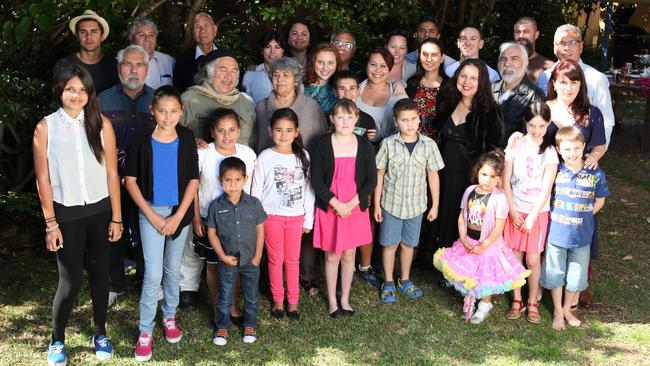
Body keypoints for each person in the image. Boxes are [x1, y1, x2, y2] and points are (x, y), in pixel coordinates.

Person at [35, 64, 122, 365]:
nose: (76, 95)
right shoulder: (45, 127)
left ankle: (100, 332)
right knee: (69, 282)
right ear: (60, 89)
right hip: (66, 214)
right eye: (70, 89)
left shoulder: (102, 124)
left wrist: (117, 217)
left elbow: (112, 172)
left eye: (82, 90)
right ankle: (57, 340)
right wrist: (50, 224)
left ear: (89, 93)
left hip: (100, 211)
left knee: (101, 274)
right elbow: (43, 179)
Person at [125, 86, 199, 361]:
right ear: (152, 111)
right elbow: (130, 180)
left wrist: (179, 215)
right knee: (153, 273)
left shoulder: (187, 137)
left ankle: (169, 315)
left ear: (181, 112)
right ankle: (145, 330)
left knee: (172, 268)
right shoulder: (142, 138)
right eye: (162, 111)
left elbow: (193, 178)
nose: (167, 117)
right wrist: (152, 215)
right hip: (151, 211)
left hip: (179, 212)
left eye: (173, 111)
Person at [434, 151, 531, 324]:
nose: (487, 179)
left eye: (493, 176)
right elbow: (462, 216)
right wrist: (463, 237)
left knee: (486, 277)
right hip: (468, 242)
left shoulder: (499, 198)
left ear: (499, 178)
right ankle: (469, 302)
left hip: (488, 246)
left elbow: (498, 227)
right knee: (469, 274)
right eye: (484, 174)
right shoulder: (470, 190)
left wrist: (483, 245)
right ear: (477, 172)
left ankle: (484, 306)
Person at [182, 108, 256, 318]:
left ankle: (232, 306)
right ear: (212, 132)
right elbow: (194, 188)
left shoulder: (247, 154)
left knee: (237, 264)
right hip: (210, 219)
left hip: (239, 220)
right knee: (214, 265)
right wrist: (196, 218)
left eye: (232, 130)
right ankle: (219, 309)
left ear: (239, 131)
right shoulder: (204, 153)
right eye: (221, 131)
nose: (227, 136)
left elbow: (250, 189)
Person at [98, 44, 155, 307]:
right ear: (119, 67)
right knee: (112, 232)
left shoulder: (157, 100)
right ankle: (114, 284)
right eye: (127, 64)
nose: (134, 70)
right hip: (110, 179)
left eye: (139, 65)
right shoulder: (103, 99)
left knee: (147, 232)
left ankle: (148, 282)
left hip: (146, 180)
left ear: (147, 68)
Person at [310, 99, 377, 317]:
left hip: (355, 205)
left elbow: (371, 180)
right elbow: (317, 180)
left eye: (349, 117)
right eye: (340, 116)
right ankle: (331, 300)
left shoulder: (364, 144)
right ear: (332, 119)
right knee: (332, 255)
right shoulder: (322, 144)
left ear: (357, 119)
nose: (345, 121)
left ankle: (345, 298)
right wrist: (336, 203)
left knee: (349, 254)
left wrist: (353, 203)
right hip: (331, 205)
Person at [373, 99, 444, 303]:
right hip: (391, 204)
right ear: (396, 122)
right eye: (404, 120)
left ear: (419, 119)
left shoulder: (428, 145)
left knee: (409, 245)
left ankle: (404, 279)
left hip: (416, 206)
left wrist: (435, 205)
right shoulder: (388, 143)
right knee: (389, 244)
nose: (410, 124)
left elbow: (433, 175)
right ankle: (388, 281)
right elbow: (380, 174)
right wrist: (377, 204)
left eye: (414, 119)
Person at [540, 126, 609, 331]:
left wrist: (584, 215)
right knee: (555, 272)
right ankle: (557, 311)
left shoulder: (594, 172)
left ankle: (567, 308)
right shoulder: (556, 171)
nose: (572, 153)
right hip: (556, 234)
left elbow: (600, 200)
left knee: (576, 275)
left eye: (577, 148)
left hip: (581, 236)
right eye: (567, 149)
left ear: (584, 147)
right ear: (559, 150)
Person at [433, 59, 504, 254]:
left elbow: (494, 150)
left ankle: (459, 262)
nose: (467, 81)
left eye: (474, 77)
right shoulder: (447, 103)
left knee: (463, 217)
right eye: (463, 76)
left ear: (482, 82)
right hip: (441, 173)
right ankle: (436, 255)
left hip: (469, 177)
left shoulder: (490, 111)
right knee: (440, 212)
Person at [251, 108, 315, 319]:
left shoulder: (303, 156)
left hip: (296, 217)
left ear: (296, 132)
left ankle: (293, 302)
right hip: (271, 217)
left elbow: (308, 191)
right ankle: (278, 300)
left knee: (292, 260)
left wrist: (308, 219)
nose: (283, 135)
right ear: (271, 131)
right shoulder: (265, 157)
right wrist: (257, 219)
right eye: (279, 130)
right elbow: (256, 191)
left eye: (289, 130)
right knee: (275, 259)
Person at [502, 102, 558, 324]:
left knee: (533, 258)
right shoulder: (515, 145)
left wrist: (533, 216)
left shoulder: (551, 152)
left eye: (541, 126)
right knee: (515, 256)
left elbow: (547, 187)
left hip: (537, 212)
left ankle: (532, 300)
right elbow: (505, 181)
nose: (536, 130)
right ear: (525, 123)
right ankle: (518, 299)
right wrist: (513, 210)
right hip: (515, 208)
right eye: (532, 125)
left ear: (548, 125)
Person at [208, 157, 267, 345]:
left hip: (251, 261)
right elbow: (212, 233)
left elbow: (260, 229)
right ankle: (222, 328)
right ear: (220, 181)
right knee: (225, 296)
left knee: (251, 296)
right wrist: (222, 256)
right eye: (227, 180)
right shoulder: (216, 206)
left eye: (237, 180)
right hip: (227, 262)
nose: (232, 185)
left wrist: (257, 256)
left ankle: (250, 324)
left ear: (245, 179)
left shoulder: (254, 203)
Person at [537, 24, 615, 147]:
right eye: (561, 43)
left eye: (572, 42)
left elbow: (607, 121)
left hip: (581, 156)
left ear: (581, 46)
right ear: (554, 47)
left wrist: (595, 153)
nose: (566, 48)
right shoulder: (545, 76)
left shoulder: (597, 78)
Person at [180, 48, 255, 147]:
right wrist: (191, 141)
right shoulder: (189, 99)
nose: (228, 76)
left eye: (233, 71)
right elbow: (171, 134)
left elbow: (252, 142)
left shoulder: (246, 104)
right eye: (223, 70)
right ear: (209, 72)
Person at [254, 57, 328, 152]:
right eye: (276, 75)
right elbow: (255, 141)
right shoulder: (261, 107)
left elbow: (322, 142)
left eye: (286, 75)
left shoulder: (311, 107)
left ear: (296, 80)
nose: (280, 79)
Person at [53, 10, 118, 94]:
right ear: (77, 36)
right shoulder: (63, 66)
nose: (88, 36)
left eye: (94, 31)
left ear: (102, 36)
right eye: (83, 32)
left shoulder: (115, 66)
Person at [492, 42, 545, 141]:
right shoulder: (490, 89)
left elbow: (531, 136)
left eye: (514, 59)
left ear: (526, 63)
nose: (507, 64)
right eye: (503, 59)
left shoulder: (535, 97)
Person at [357, 47, 409, 145]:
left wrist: (379, 136)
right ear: (366, 66)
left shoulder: (398, 93)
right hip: (357, 151)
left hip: (389, 151)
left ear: (389, 69)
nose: (377, 70)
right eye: (373, 64)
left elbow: (408, 127)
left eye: (383, 66)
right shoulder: (355, 90)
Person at [406, 37, 448, 139]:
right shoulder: (411, 83)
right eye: (425, 54)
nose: (429, 59)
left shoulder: (449, 86)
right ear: (419, 57)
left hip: (436, 145)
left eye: (434, 55)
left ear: (442, 58)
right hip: (410, 141)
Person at [174, 13, 218, 92]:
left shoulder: (227, 56)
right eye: (197, 27)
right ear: (192, 32)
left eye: (206, 25)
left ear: (215, 29)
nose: (202, 30)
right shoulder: (183, 60)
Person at [128, 17, 175, 89]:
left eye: (151, 35)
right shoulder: (121, 62)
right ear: (131, 39)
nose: (147, 39)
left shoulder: (169, 61)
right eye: (141, 35)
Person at [242, 31, 286, 105]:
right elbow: (246, 105)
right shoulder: (250, 75)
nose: (272, 51)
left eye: (277, 47)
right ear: (261, 51)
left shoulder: (292, 74)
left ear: (283, 51)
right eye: (268, 47)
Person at [332, 71, 377, 140]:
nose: (347, 93)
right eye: (342, 89)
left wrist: (367, 140)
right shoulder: (328, 118)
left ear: (358, 91)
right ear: (335, 92)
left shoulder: (368, 120)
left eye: (352, 88)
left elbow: (367, 147)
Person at [513, 17, 555, 84]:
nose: (521, 36)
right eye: (517, 32)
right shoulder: (506, 64)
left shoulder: (550, 68)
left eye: (526, 32)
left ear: (536, 35)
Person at [304, 43, 341, 115]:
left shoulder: (340, 88)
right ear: (313, 62)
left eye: (330, 63)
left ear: (337, 63)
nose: (325, 68)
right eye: (320, 62)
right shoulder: (301, 87)